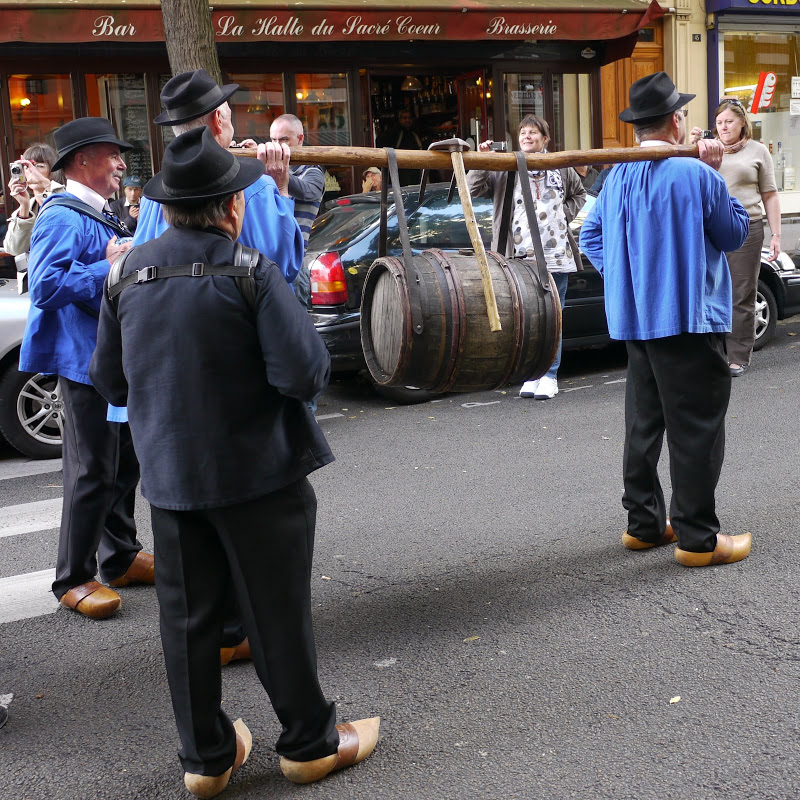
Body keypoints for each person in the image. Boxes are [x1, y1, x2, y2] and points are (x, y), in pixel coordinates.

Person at [90, 126, 379, 798]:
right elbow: (303, 375)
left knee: (186, 618)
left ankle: (206, 756)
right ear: (233, 206)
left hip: (170, 477)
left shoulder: (125, 272)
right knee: (276, 611)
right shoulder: (250, 271)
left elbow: (112, 382)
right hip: (258, 475)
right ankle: (309, 741)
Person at [580, 71, 753, 568]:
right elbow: (733, 235)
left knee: (644, 422)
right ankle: (699, 539)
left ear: (639, 126)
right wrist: (718, 176)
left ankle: (644, 525)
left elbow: (590, 237)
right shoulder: (697, 173)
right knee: (696, 427)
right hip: (688, 319)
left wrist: (632, 279)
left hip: (637, 320)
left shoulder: (618, 175)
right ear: (676, 121)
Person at [19, 117, 153, 618]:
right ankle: (72, 578)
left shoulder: (98, 211)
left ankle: (119, 556)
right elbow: (47, 287)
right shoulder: (62, 215)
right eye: (111, 155)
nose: (122, 163)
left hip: (108, 364)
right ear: (81, 162)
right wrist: (110, 264)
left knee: (123, 463)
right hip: (83, 368)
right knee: (91, 471)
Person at [132, 69, 304, 287]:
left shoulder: (153, 195)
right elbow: (284, 267)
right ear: (218, 120)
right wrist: (280, 188)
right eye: (230, 117)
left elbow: (138, 269)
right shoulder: (256, 187)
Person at [467, 114, 586, 400]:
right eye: (523, 132)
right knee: (525, 319)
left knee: (553, 319)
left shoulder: (560, 167)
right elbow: (471, 189)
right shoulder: (505, 166)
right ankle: (531, 375)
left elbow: (579, 195)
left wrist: (562, 217)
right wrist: (481, 160)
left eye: (534, 132)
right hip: (518, 258)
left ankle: (550, 375)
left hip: (557, 256)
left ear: (546, 139)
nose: (527, 136)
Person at [689, 99, 781, 376]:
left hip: (747, 227)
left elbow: (770, 194)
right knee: (706, 290)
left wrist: (776, 234)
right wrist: (690, 147)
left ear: (743, 123)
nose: (723, 126)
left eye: (729, 121)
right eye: (719, 122)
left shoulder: (758, 151)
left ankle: (738, 355)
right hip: (709, 228)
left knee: (741, 293)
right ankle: (712, 352)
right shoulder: (705, 148)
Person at [269, 113, 325, 305]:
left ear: (300, 139)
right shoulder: (272, 170)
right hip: (269, 259)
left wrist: (274, 168)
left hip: (295, 261)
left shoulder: (313, 172)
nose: (277, 146)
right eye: (273, 140)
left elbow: (306, 191)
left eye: (284, 139)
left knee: (296, 323)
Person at [3, 142, 64, 257]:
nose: (32, 171)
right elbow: (13, 249)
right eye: (27, 167)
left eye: (39, 166)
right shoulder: (27, 208)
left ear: (53, 170)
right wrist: (24, 207)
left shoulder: (68, 196)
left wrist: (47, 185)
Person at [377, 108, 422, 185]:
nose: (407, 120)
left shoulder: (415, 133)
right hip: (399, 172)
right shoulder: (392, 133)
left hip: (415, 171)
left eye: (409, 118)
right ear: (399, 119)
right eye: (404, 118)